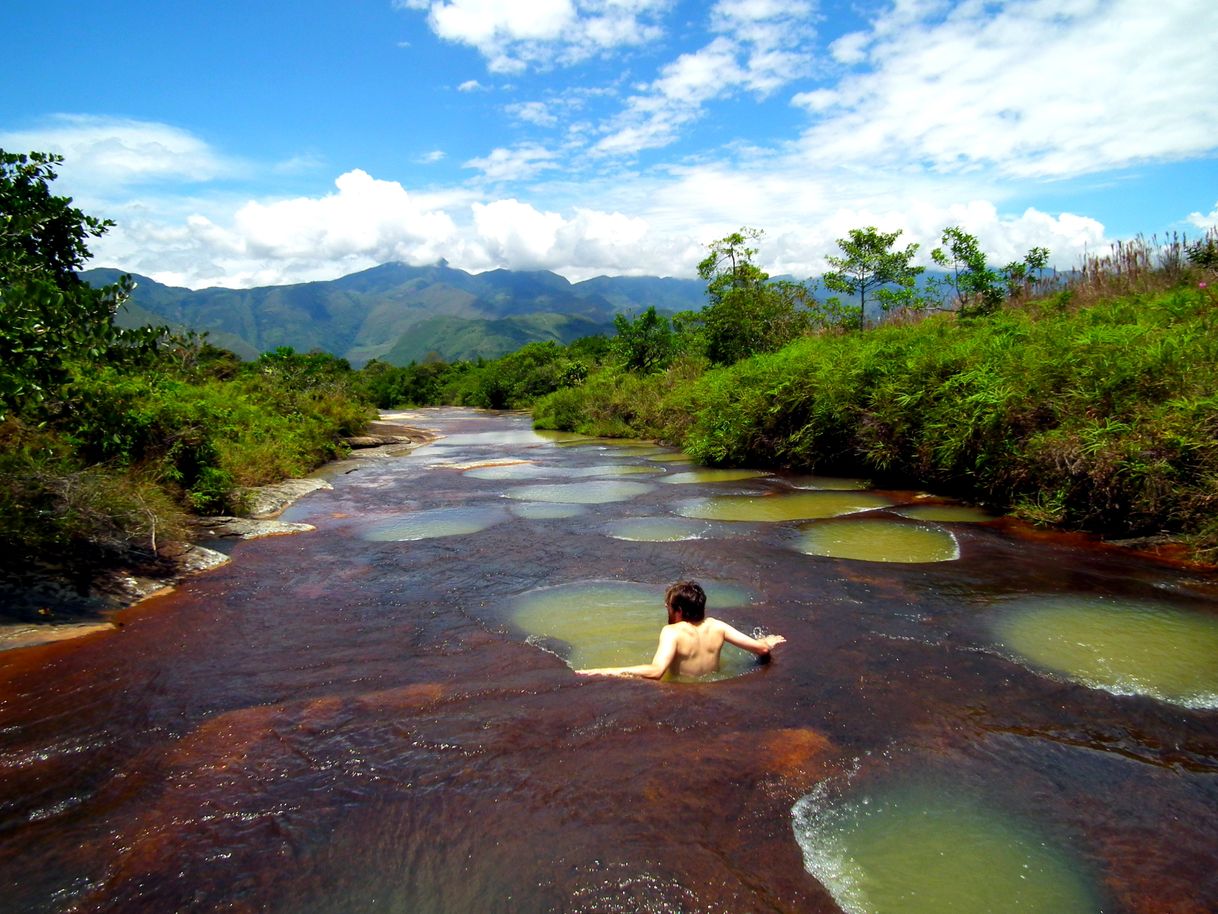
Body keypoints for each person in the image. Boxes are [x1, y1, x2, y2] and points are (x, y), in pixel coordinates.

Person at [576, 580, 786, 680]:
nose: (666, 610)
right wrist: (770, 640)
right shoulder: (718, 626)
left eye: (668, 606)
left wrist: (602, 671)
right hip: (713, 689)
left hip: (681, 693)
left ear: (679, 611)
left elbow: (657, 671)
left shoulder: (672, 632)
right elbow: (762, 649)